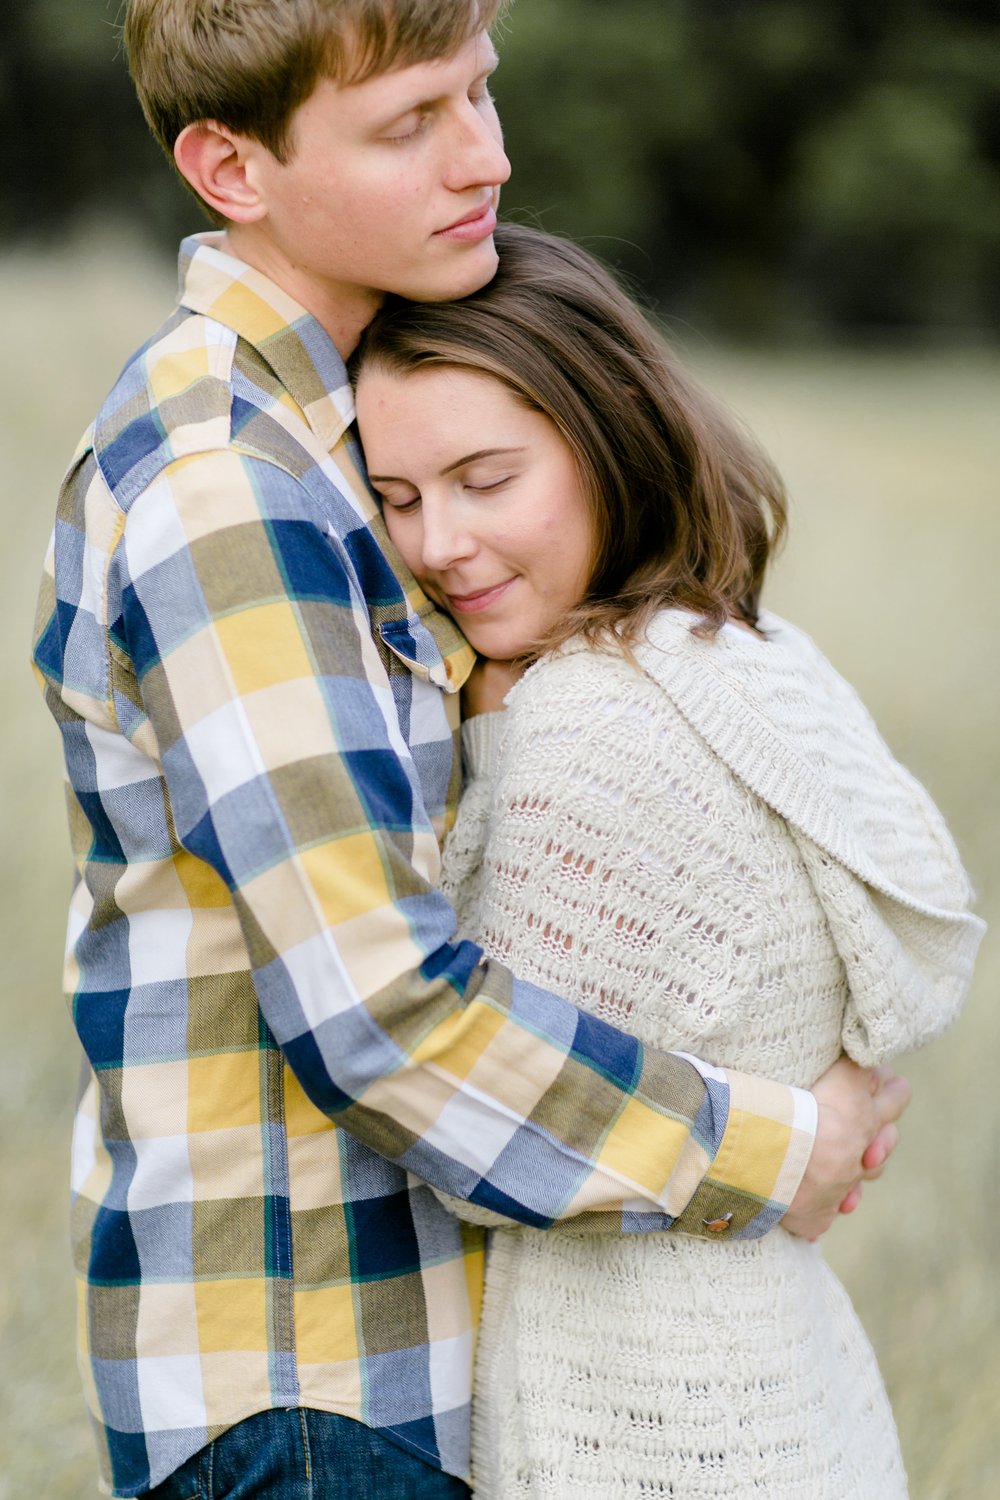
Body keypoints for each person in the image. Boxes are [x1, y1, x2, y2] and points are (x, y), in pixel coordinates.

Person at [30, 4, 910, 1497]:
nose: (486, 157)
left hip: (395, 1377)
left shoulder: (334, 431)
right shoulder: (229, 486)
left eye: (480, 92)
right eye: (409, 123)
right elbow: (379, 1012)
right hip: (316, 1391)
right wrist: (771, 1149)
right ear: (229, 168)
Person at [352, 222, 985, 1498]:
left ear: (604, 439)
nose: (437, 546)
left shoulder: (581, 723)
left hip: (634, 1403)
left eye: (486, 479)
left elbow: (480, 1115)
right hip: (779, 1373)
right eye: (398, 496)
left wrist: (486, 741)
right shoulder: (738, 654)